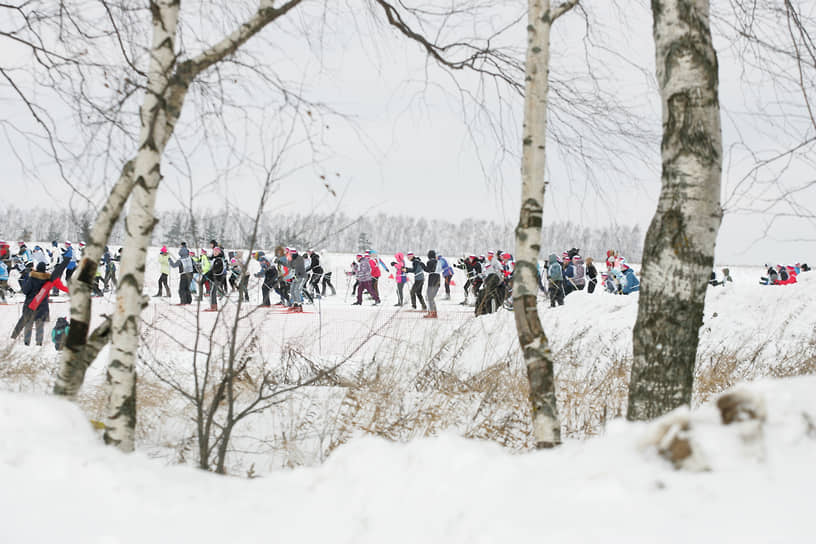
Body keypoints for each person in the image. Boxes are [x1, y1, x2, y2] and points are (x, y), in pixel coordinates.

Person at [11, 261, 68, 346]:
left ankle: (26, 342)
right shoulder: (48, 279)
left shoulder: (32, 278)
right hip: (42, 304)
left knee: (28, 323)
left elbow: (25, 290)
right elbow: (59, 286)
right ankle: (39, 342)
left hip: (30, 304)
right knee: (40, 324)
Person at [205, 246, 227, 311]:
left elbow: (216, 270)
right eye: (214, 251)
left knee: (213, 292)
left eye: (216, 251)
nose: (215, 252)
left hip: (218, 278)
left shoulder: (219, 260)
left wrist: (208, 274)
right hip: (215, 278)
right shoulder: (215, 259)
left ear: (219, 252)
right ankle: (213, 306)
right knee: (213, 292)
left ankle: (214, 307)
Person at [423, 250, 441, 318]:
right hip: (438, 280)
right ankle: (433, 312)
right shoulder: (438, 261)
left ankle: (432, 313)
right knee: (431, 298)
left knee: (429, 297)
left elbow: (428, 270)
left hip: (432, 281)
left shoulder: (430, 262)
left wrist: (422, 265)